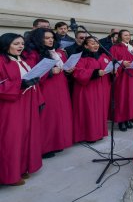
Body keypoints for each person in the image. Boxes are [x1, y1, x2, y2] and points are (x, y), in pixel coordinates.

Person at [0, 33, 43, 186]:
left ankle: (21, 167)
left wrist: (37, 90)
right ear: (6, 45)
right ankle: (9, 174)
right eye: (16, 43)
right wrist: (20, 84)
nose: (20, 46)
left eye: (22, 43)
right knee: (11, 139)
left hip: (27, 103)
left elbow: (30, 80)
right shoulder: (0, 62)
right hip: (10, 106)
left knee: (25, 135)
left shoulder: (23, 61)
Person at [24, 28, 73, 158]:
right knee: (48, 117)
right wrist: (50, 72)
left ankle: (57, 142)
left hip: (60, 86)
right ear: (39, 39)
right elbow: (31, 74)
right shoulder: (33, 54)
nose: (50, 40)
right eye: (46, 38)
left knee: (59, 115)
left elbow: (62, 67)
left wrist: (67, 69)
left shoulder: (56, 51)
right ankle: (45, 147)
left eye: (51, 37)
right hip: (46, 88)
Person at [72, 36, 111, 143]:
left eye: (97, 43)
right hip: (86, 89)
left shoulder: (101, 55)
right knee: (89, 112)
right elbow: (78, 72)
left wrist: (112, 70)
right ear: (85, 45)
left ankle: (98, 133)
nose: (96, 45)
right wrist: (95, 73)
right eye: (92, 43)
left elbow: (107, 68)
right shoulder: (81, 58)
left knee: (98, 112)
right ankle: (88, 135)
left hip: (99, 88)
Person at [110, 29, 133, 132]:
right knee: (122, 98)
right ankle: (121, 120)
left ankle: (128, 118)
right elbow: (112, 62)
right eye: (125, 35)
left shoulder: (132, 48)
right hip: (122, 78)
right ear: (120, 36)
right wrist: (122, 63)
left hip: (132, 76)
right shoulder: (115, 48)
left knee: (130, 98)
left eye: (128, 35)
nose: (127, 37)